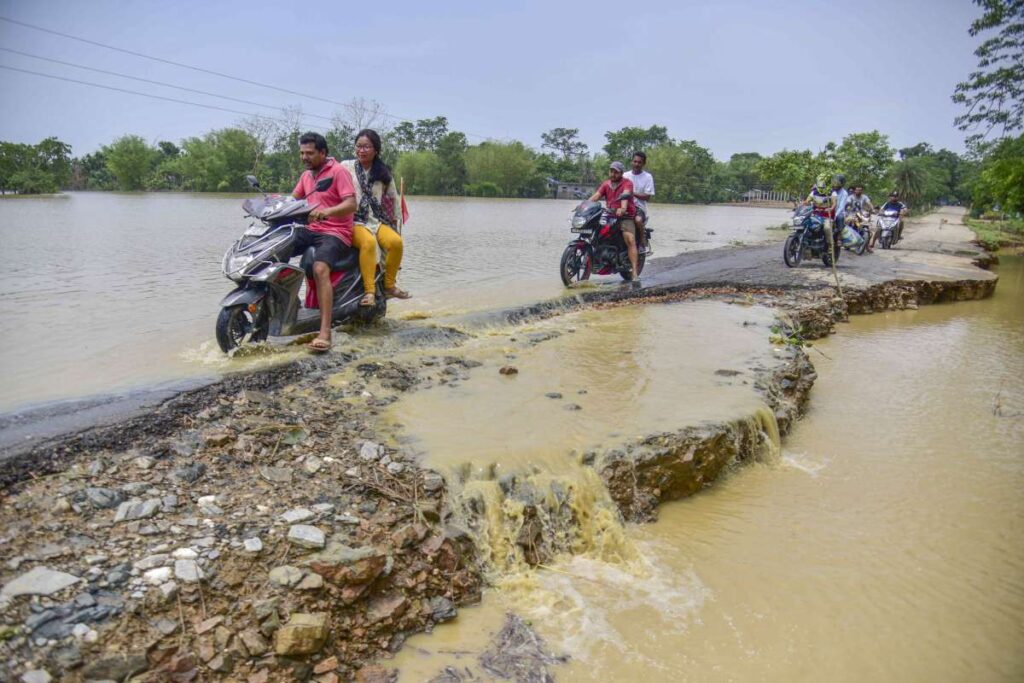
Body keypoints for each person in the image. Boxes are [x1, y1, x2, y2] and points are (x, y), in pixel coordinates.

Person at [291, 132, 358, 353]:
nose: (304, 157)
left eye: (309, 153)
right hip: (310, 229)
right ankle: (285, 307)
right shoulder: (307, 175)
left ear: (323, 152)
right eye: (302, 153)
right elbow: (294, 200)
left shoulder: (339, 172)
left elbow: (351, 204)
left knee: (320, 268)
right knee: (275, 249)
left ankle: (325, 332)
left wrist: (326, 212)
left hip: (335, 231)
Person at [340, 129, 410, 307]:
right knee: (368, 243)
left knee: (395, 242)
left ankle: (389, 285)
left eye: (367, 147)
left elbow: (393, 198)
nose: (362, 150)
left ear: (376, 150)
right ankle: (369, 291)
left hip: (375, 219)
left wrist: (395, 222)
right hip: (352, 219)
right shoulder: (345, 167)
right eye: (359, 146)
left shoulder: (383, 172)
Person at [587, 161, 639, 280]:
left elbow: (625, 195)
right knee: (596, 233)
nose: (613, 174)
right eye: (611, 171)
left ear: (621, 173)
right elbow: (596, 196)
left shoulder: (627, 183)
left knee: (630, 239)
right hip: (609, 215)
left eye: (616, 172)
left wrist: (623, 208)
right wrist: (585, 204)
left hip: (625, 216)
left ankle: (635, 272)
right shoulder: (606, 184)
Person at [624, 151, 654, 254]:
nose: (636, 164)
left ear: (643, 163)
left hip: (639, 208)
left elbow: (647, 197)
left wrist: (633, 194)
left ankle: (642, 242)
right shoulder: (625, 175)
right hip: (624, 206)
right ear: (631, 162)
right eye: (635, 161)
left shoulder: (648, 177)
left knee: (637, 220)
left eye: (639, 162)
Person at [846, 184, 876, 251]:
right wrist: (846, 206)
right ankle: (846, 241)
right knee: (848, 225)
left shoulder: (864, 197)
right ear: (854, 191)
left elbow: (869, 203)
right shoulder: (851, 197)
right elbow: (847, 202)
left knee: (867, 227)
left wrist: (872, 209)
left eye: (860, 190)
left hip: (861, 214)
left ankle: (867, 246)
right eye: (857, 190)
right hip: (851, 214)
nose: (858, 191)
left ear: (862, 191)